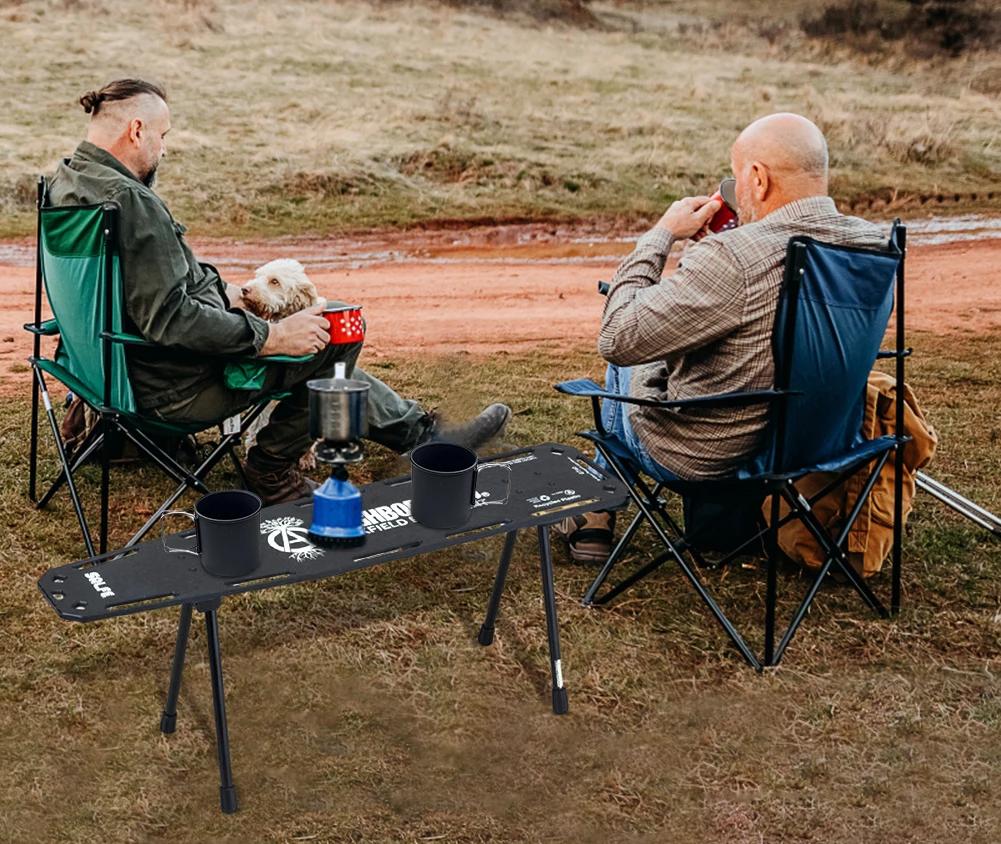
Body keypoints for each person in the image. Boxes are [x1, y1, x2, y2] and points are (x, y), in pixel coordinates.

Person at [48, 78, 510, 504]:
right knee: (337, 334)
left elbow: (141, 289)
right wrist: (272, 338)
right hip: (169, 387)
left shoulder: (66, 183)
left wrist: (224, 292)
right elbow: (171, 320)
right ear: (136, 131)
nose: (164, 150)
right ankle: (271, 469)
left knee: (322, 335)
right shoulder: (132, 201)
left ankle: (423, 435)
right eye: (163, 136)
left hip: (107, 371)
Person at [560, 113, 888, 563]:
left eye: (736, 177)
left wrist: (662, 236)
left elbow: (618, 337)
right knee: (667, 336)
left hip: (709, 458)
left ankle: (598, 507)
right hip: (817, 445)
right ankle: (600, 510)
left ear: (757, 178)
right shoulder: (876, 244)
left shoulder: (733, 257)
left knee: (632, 333)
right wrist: (712, 254)